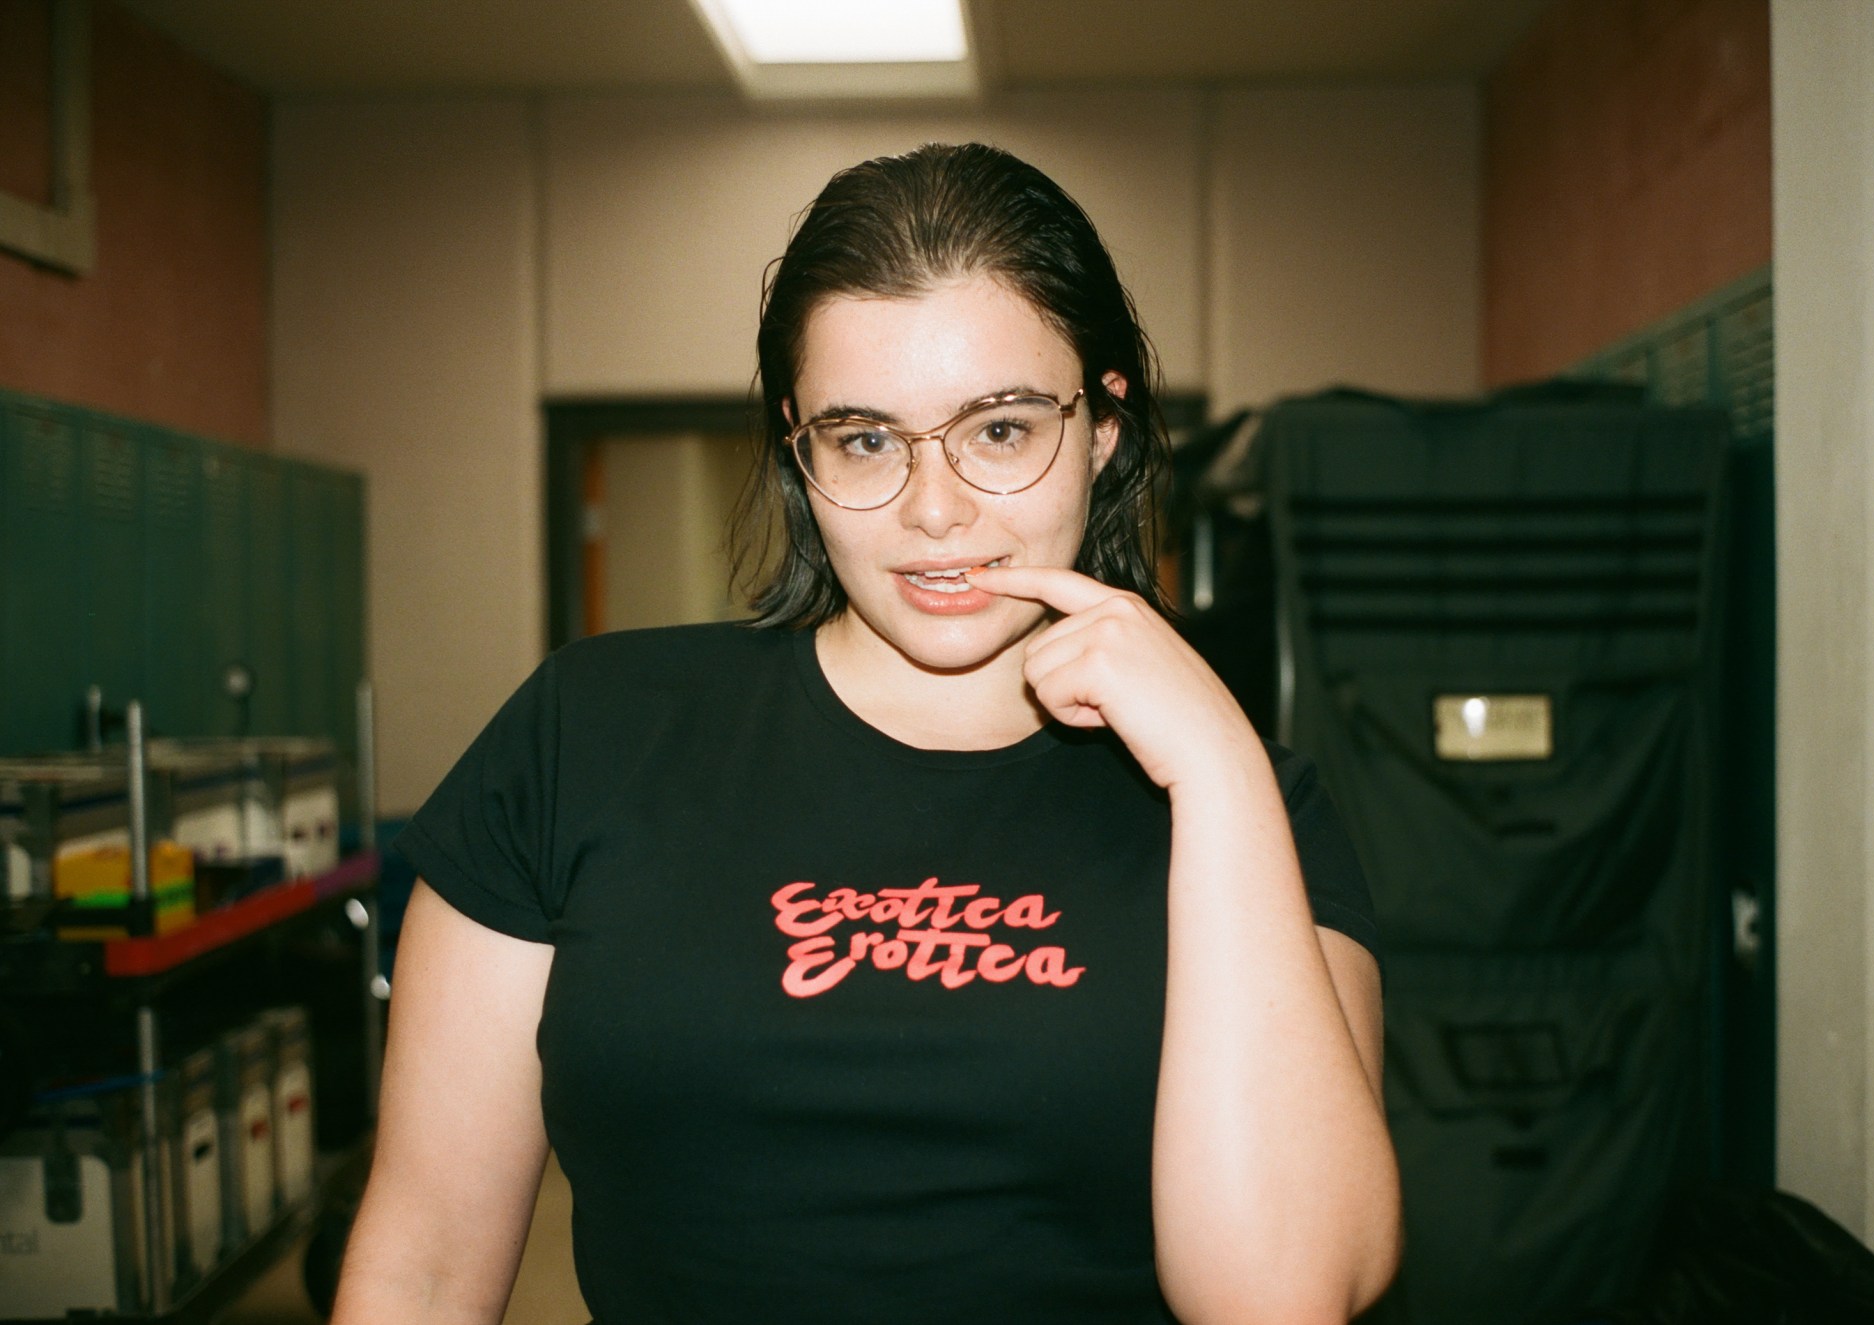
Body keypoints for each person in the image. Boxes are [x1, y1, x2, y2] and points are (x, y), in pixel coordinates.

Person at [331, 142, 1399, 1325]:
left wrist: (1213, 764)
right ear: (798, 443)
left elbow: (1281, 1296)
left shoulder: (1247, 802)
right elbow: (423, 1259)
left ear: (1101, 428)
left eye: (998, 429)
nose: (932, 509)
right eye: (866, 438)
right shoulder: (586, 732)